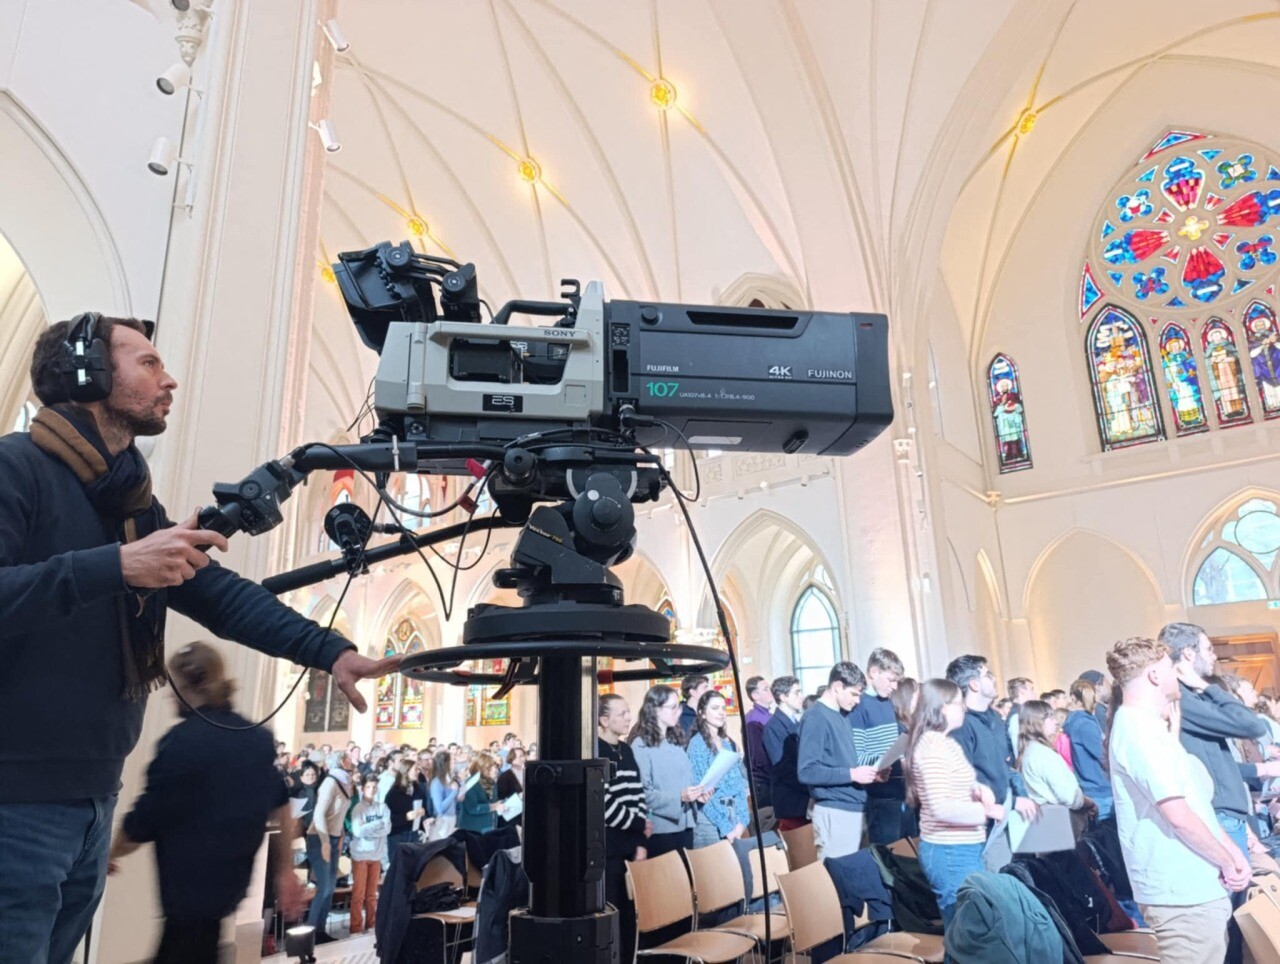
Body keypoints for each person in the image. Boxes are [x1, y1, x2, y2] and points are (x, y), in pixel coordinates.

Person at [0, 316, 398, 959]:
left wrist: (331, 651)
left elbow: (222, 597)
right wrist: (116, 567)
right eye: (149, 363)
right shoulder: (15, 467)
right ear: (89, 373)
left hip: (92, 800)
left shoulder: (129, 506)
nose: (169, 379)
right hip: (15, 804)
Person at [105, 643, 302, 963]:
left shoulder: (179, 743)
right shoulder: (256, 739)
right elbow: (281, 805)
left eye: (173, 688)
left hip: (187, 900)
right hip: (224, 895)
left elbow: (144, 819)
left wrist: (108, 855)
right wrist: (285, 871)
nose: (170, 696)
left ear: (187, 686)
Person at [1107, 635, 1249, 964]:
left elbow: (1196, 805)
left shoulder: (1150, 729)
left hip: (1189, 888)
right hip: (1180, 892)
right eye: (1171, 667)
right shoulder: (1139, 732)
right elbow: (1179, 816)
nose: (1177, 674)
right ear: (1154, 675)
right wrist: (1227, 861)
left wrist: (1228, 849)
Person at [903, 679, 1005, 927]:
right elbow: (941, 807)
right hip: (950, 850)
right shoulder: (932, 746)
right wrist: (985, 812)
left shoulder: (944, 742)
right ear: (942, 709)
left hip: (961, 847)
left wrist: (977, 788)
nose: (964, 708)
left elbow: (953, 782)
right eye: (959, 703)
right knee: (966, 931)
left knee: (972, 930)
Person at [796, 661, 880, 861]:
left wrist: (867, 775)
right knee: (840, 879)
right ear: (837, 687)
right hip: (835, 811)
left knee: (857, 878)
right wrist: (852, 774)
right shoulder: (816, 717)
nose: (858, 701)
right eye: (854, 694)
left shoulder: (841, 715)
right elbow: (807, 771)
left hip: (853, 807)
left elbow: (840, 762)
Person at [945, 655, 1038, 826]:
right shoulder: (960, 725)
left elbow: (1002, 766)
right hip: (982, 822)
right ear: (974, 684)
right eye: (988, 675)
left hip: (1006, 812)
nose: (994, 679)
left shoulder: (994, 717)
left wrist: (1016, 798)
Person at [630, 685, 710, 857]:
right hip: (660, 831)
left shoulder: (675, 741)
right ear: (655, 710)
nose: (678, 712)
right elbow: (642, 794)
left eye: (679, 707)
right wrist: (679, 796)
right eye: (673, 707)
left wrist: (697, 795)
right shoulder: (640, 745)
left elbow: (684, 781)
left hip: (686, 826)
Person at [597, 694, 648, 962]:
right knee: (613, 911)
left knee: (631, 914)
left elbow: (637, 794)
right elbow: (603, 803)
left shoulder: (626, 750)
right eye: (622, 714)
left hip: (632, 844)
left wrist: (640, 840)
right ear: (604, 720)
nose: (629, 718)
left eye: (629, 713)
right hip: (611, 848)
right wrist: (639, 825)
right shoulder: (595, 750)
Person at [848, 648, 908, 844]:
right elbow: (857, 754)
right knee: (889, 855)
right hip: (880, 795)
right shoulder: (859, 706)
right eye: (890, 679)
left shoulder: (890, 702)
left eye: (897, 681)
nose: (894, 686)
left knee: (908, 851)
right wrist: (884, 760)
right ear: (874, 672)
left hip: (902, 790)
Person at [687, 690, 750, 847]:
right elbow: (703, 792)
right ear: (701, 713)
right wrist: (727, 828)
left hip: (735, 818)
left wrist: (742, 820)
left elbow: (739, 784)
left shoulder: (727, 743)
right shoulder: (697, 744)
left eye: (723, 708)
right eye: (715, 708)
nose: (721, 713)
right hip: (711, 823)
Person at [1015, 700, 1094, 819]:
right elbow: (1068, 796)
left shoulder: (1030, 750)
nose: (1055, 721)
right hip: (1061, 817)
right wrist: (1089, 803)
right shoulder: (1042, 754)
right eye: (1050, 718)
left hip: (1049, 817)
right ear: (1038, 722)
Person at [307, 750, 353, 943]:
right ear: (342, 761)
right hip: (319, 838)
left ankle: (321, 930)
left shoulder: (345, 782)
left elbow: (339, 815)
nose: (351, 761)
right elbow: (319, 815)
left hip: (334, 838)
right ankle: (310, 933)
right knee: (324, 886)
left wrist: (340, 834)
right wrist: (325, 841)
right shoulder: (330, 782)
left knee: (331, 886)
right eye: (348, 758)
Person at [764, 675, 809, 832]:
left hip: (802, 798)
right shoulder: (773, 727)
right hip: (791, 801)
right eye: (797, 693)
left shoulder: (795, 722)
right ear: (783, 697)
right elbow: (782, 768)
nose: (801, 697)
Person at [1064, 677, 1112, 821]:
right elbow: (1102, 754)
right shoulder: (1084, 724)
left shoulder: (1075, 722)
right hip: (1100, 789)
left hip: (1092, 787)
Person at [348, 775, 391, 935]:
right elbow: (358, 832)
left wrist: (369, 827)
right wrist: (377, 824)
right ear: (362, 788)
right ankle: (356, 927)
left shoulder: (383, 807)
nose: (372, 790)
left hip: (376, 854)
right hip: (361, 854)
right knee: (358, 894)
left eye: (374, 787)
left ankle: (371, 924)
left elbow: (387, 829)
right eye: (368, 787)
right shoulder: (358, 808)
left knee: (372, 894)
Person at [743, 675, 775, 810]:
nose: (770, 691)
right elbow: (758, 758)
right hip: (763, 782)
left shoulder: (769, 715)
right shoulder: (753, 720)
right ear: (755, 695)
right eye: (765, 689)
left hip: (771, 779)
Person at [384, 760, 428, 852]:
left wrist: (423, 811)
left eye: (418, 769)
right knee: (399, 865)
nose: (418, 771)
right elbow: (387, 817)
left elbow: (424, 805)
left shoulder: (418, 789)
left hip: (414, 832)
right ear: (406, 771)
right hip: (398, 835)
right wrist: (406, 817)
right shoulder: (394, 792)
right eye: (415, 769)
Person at [458, 752, 502, 833]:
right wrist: (493, 806)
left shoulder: (491, 782)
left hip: (489, 826)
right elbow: (472, 808)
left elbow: (493, 801)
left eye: (495, 767)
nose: (495, 770)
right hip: (473, 828)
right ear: (481, 768)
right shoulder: (470, 782)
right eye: (491, 767)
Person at [428, 750, 460, 840]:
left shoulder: (450, 779)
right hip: (441, 821)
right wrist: (454, 793)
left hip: (451, 819)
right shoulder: (436, 783)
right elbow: (440, 808)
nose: (455, 761)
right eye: (452, 760)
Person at [495, 747, 525, 828]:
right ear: (512, 759)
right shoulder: (504, 777)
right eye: (520, 756)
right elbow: (501, 798)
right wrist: (518, 797)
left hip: (524, 815)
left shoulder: (527, 774)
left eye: (524, 756)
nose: (524, 758)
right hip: (511, 817)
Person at [1005, 677, 1036, 750]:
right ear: (1022, 691)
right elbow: (1019, 748)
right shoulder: (1016, 716)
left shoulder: (1021, 712)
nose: (1034, 693)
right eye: (1031, 689)